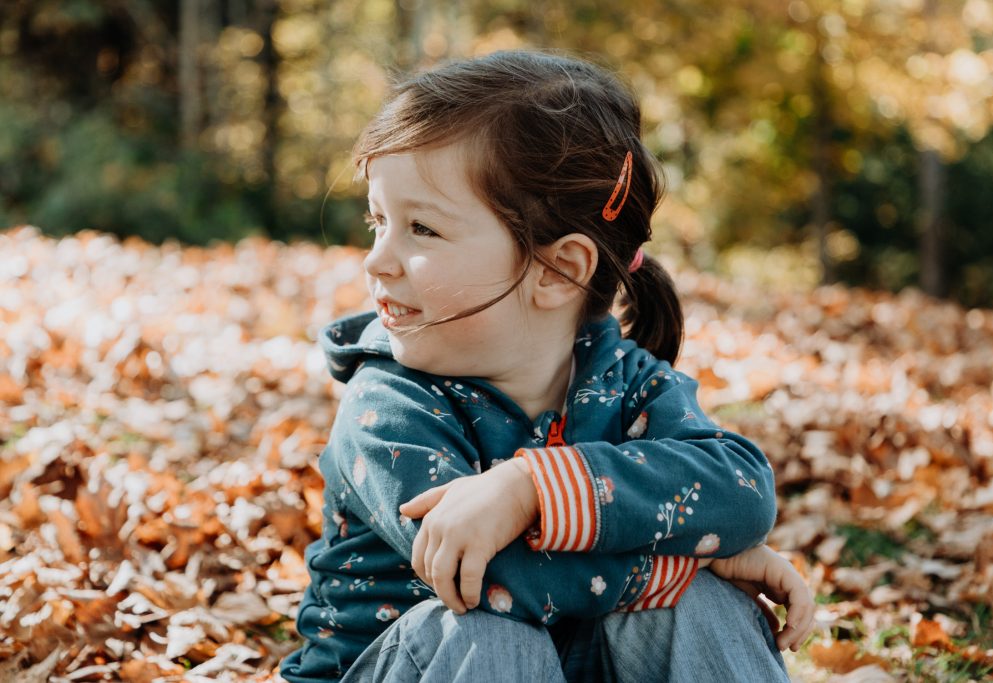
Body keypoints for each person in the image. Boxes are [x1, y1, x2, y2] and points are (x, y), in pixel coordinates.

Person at [279, 50, 814, 683]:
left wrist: (530, 486)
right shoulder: (387, 407)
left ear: (559, 270)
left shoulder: (624, 382)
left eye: (421, 229)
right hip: (419, 664)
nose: (377, 261)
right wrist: (691, 557)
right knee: (494, 638)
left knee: (699, 608)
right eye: (378, 221)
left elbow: (742, 488)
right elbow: (484, 576)